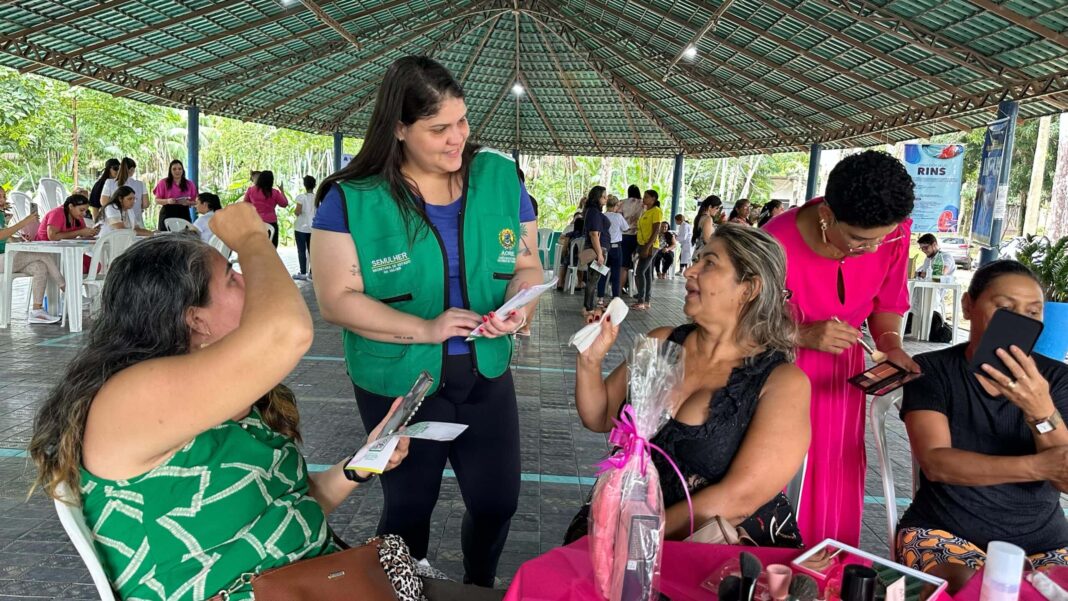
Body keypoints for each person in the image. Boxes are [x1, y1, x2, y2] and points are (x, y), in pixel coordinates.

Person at [27, 203, 415, 601]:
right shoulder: (129, 399)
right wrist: (250, 238)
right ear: (195, 320)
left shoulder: (230, 397)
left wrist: (360, 464)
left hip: (314, 581)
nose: (247, 279)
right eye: (231, 278)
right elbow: (286, 333)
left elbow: (288, 506)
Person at [309, 56, 541, 587]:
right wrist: (428, 328)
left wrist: (518, 306)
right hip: (400, 381)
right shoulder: (353, 199)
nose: (457, 138)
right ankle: (405, 592)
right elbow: (337, 300)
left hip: (485, 372)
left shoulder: (500, 179)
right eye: (438, 128)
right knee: (411, 505)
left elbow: (527, 265)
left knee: (498, 501)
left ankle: (479, 586)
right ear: (399, 128)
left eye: (461, 122)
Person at [575, 224, 810, 545]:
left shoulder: (781, 383)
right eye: (696, 259)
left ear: (749, 288)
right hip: (619, 524)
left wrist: (633, 534)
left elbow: (737, 499)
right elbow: (599, 416)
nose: (690, 271)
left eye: (709, 263)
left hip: (710, 551)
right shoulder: (662, 343)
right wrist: (590, 360)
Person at [764, 149, 916, 547]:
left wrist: (890, 344)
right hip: (778, 371)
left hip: (840, 380)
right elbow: (738, 318)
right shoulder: (775, 242)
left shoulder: (894, 231)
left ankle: (827, 570)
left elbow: (888, 302)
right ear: (826, 214)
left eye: (882, 237)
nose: (872, 247)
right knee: (779, 471)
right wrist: (800, 334)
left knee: (835, 470)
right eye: (859, 238)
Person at [898, 260, 1068, 593]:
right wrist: (1037, 466)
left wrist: (1040, 410)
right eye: (1005, 308)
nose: (1019, 320)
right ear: (968, 306)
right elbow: (936, 463)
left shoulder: (1057, 381)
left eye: (1033, 312)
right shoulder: (933, 370)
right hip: (945, 531)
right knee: (975, 591)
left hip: (1045, 542)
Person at [0, 187, 62, 324]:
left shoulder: (1, 215)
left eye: (4, 196)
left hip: (7, 258)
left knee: (40, 267)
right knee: (42, 254)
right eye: (0, 197)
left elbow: (6, 237)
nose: (3, 200)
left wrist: (19, 238)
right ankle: (66, 289)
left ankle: (37, 311)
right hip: (2, 260)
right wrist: (25, 221)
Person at [581, 186, 609, 321]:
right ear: (598, 197)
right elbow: (594, 234)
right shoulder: (593, 212)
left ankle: (588, 306)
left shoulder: (593, 211)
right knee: (593, 280)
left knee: (593, 279)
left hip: (599, 249)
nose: (606, 199)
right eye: (604, 196)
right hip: (597, 250)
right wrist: (599, 254)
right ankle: (588, 307)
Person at [632, 190, 663, 310]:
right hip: (642, 244)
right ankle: (646, 300)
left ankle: (641, 300)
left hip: (650, 246)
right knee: (647, 273)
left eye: (646, 197)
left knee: (640, 272)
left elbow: (656, 231)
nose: (643, 199)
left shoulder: (656, 211)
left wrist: (647, 247)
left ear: (653, 199)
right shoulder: (646, 211)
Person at [100, 157, 148, 228]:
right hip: (135, 222)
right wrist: (136, 206)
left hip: (116, 222)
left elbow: (104, 202)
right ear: (132, 169)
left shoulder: (109, 182)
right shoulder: (140, 184)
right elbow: (145, 204)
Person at [244, 171, 288, 247]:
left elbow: (245, 205)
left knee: (256, 247)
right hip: (271, 223)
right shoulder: (275, 192)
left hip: (255, 223)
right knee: (272, 247)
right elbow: (284, 204)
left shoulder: (251, 190)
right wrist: (282, 191)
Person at [153, 159, 198, 230]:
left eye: (180, 169)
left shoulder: (189, 184)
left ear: (183, 170)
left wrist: (187, 203)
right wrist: (168, 201)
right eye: (174, 169)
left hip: (184, 212)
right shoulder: (163, 182)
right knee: (166, 237)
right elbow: (157, 200)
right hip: (167, 212)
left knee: (184, 237)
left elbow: (196, 202)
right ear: (170, 171)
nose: (177, 171)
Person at [599, 195, 627, 300]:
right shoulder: (618, 217)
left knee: (602, 273)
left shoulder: (602, 216)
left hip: (603, 249)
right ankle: (615, 297)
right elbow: (626, 228)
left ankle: (600, 298)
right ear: (616, 205)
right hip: (616, 248)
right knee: (616, 274)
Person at [620, 185, 644, 295]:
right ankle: (639, 292)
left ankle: (619, 289)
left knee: (624, 265)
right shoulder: (643, 204)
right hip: (639, 236)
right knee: (638, 265)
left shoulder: (622, 203)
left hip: (624, 236)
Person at [293, 175, 317, 280]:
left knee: (301, 250)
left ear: (304, 185)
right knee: (312, 251)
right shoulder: (317, 197)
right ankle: (312, 273)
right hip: (314, 228)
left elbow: (297, 212)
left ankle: (303, 273)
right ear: (314, 185)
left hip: (301, 228)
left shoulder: (301, 197)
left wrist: (296, 212)